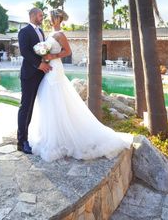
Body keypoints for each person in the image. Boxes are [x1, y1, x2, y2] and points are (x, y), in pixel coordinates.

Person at [28, 9, 132, 162]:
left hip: (55, 69)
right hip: (50, 68)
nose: (49, 19)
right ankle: (53, 134)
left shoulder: (60, 34)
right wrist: (44, 55)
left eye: (51, 18)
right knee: (49, 100)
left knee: (55, 98)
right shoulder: (50, 33)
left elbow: (68, 51)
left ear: (57, 19)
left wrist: (52, 56)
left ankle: (61, 137)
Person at [16, 7, 51, 154]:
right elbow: (24, 51)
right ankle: (22, 141)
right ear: (32, 15)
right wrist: (39, 64)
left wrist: (46, 59)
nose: (42, 17)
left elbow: (41, 50)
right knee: (26, 107)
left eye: (42, 15)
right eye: (40, 15)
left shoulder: (41, 31)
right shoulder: (24, 31)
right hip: (29, 74)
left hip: (41, 75)